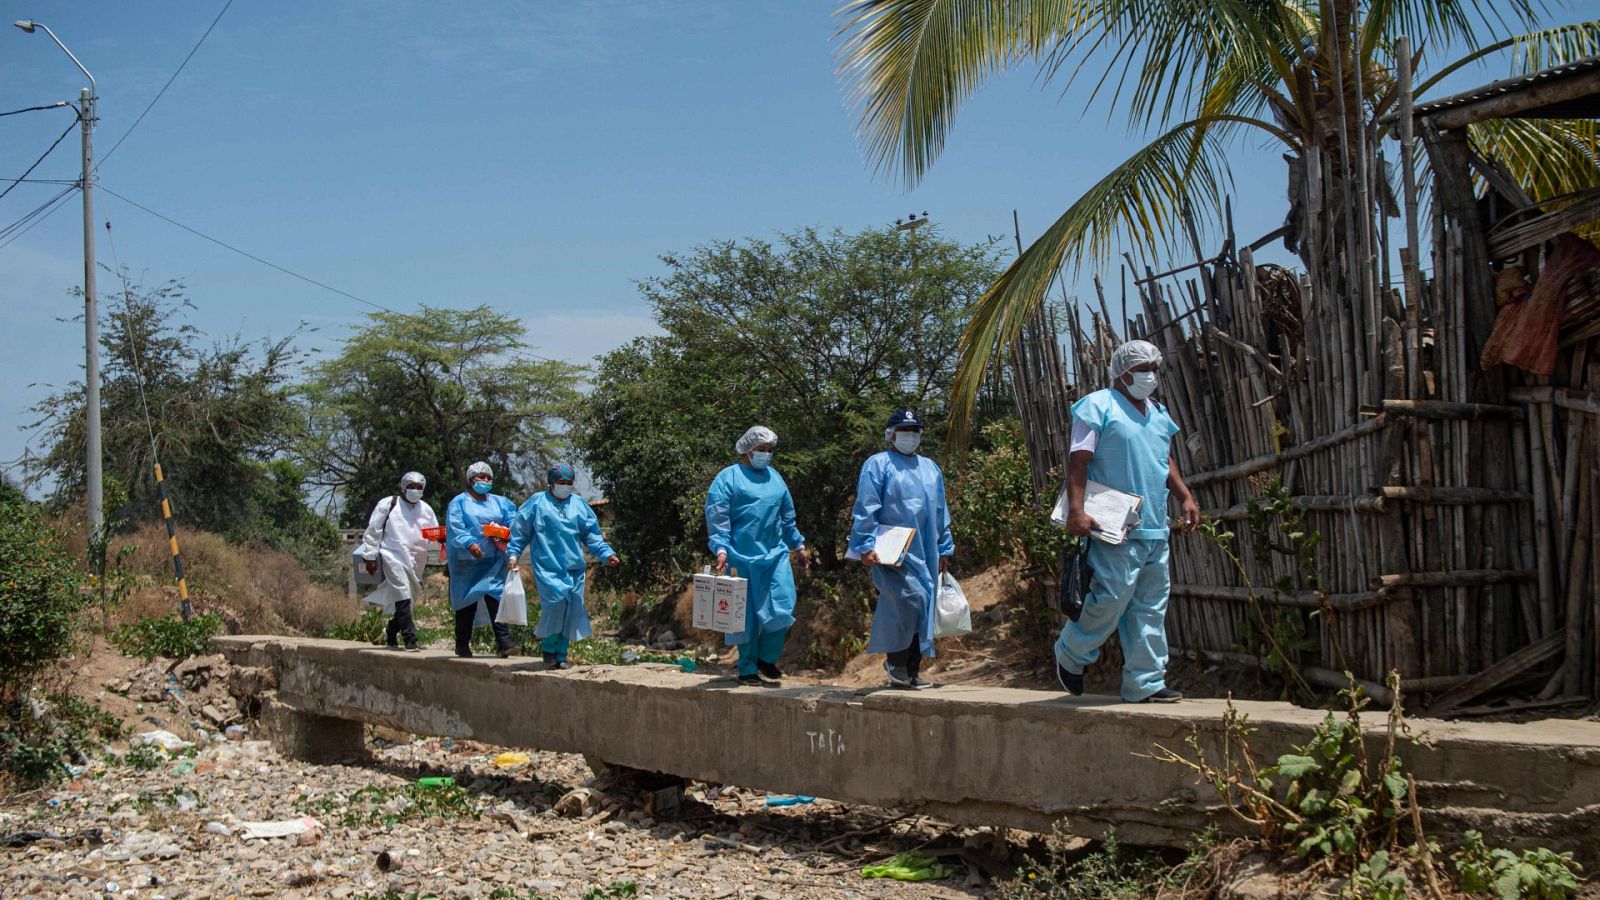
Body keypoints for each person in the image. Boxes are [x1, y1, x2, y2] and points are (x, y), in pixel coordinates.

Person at [1055, 339, 1200, 703]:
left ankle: (1145, 682)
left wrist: (1185, 495)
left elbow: (1163, 459)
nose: (1151, 376)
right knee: (1111, 597)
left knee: (1151, 605)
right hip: (1111, 525)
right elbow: (1079, 460)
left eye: (1155, 368)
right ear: (1122, 372)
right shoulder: (1097, 406)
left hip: (1154, 523)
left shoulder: (1158, 412)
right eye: (1143, 369)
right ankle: (1070, 653)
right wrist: (1076, 510)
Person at [848, 409, 954, 689]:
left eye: (915, 431)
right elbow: (867, 505)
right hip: (890, 550)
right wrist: (864, 544)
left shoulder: (930, 468)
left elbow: (941, 510)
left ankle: (911, 671)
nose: (910, 437)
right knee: (908, 601)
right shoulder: (878, 464)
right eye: (904, 431)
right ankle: (896, 662)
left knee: (924, 606)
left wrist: (944, 548)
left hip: (926, 549)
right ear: (891, 435)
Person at [705, 426, 811, 687]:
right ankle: (747, 667)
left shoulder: (775, 478)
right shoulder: (728, 478)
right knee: (744, 616)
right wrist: (720, 549)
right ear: (747, 449)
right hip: (739, 557)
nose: (766, 455)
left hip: (774, 555)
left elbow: (787, 516)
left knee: (783, 603)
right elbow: (718, 517)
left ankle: (767, 657)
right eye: (761, 450)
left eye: (769, 450)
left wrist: (798, 545)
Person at [507, 463, 621, 670]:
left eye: (569, 482)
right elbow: (520, 531)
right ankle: (549, 650)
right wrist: (513, 554)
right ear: (551, 482)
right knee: (556, 605)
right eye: (561, 482)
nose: (566, 486)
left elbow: (592, 535)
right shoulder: (537, 503)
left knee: (572, 608)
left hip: (574, 568)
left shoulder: (578, 504)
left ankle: (562, 654)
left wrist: (606, 554)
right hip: (547, 567)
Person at [357, 471, 439, 652]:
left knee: (408, 600)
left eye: (419, 487)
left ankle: (392, 630)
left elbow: (433, 533)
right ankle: (410, 638)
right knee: (402, 593)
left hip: (417, 561)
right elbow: (374, 530)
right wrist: (370, 556)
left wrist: (440, 542)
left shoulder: (426, 509)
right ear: (403, 487)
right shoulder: (389, 504)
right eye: (411, 487)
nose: (415, 490)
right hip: (392, 555)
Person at [445, 461, 519, 658]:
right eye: (481, 477)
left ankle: (504, 641)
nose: (485, 480)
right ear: (471, 480)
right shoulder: (459, 503)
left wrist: (506, 531)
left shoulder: (500, 502)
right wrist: (470, 543)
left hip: (493, 560)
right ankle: (462, 643)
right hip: (466, 563)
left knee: (495, 596)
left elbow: (513, 518)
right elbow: (455, 527)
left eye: (488, 477)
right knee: (467, 602)